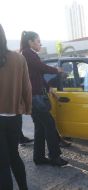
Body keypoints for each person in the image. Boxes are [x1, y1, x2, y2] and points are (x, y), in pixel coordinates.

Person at [20, 31, 68, 166]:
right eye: (38, 40)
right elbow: (41, 68)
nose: (40, 43)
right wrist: (56, 70)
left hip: (35, 96)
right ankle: (54, 157)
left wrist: (48, 88)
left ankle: (39, 157)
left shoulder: (29, 54)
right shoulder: (27, 54)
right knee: (49, 125)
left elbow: (37, 76)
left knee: (40, 127)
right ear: (30, 42)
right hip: (35, 97)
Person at [0, 24, 31, 190]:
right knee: (14, 157)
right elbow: (27, 87)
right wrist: (27, 108)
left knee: (2, 164)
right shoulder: (19, 58)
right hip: (14, 117)